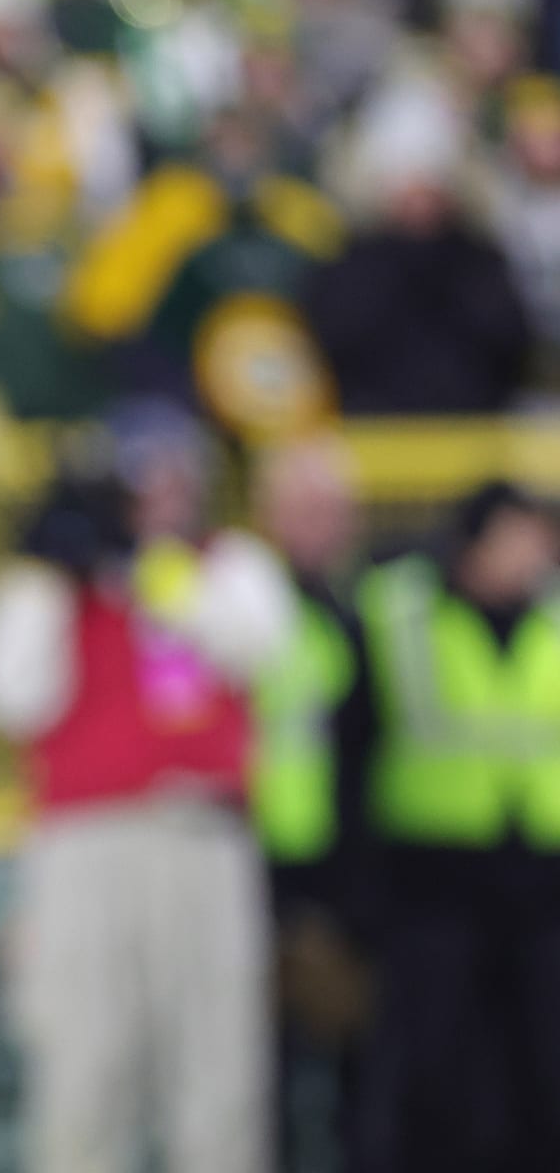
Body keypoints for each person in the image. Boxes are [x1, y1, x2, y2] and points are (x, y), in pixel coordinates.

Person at [0, 398, 294, 1173]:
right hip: (85, 847)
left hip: (201, 838)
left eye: (177, 477)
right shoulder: (59, 580)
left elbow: (256, 644)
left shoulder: (228, 563)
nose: (163, 496)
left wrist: (153, 569)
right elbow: (7, 692)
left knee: (218, 1064)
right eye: (144, 479)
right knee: (83, 1061)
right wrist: (42, 573)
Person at [349, 480, 560, 1173]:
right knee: (433, 1066)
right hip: (434, 880)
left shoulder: (550, 616)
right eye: (519, 535)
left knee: (541, 1068)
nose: (535, 553)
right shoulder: (405, 610)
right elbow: (358, 737)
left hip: (540, 885)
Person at [249, 438, 374, 1170]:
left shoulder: (357, 607)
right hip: (259, 858)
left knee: (347, 1059)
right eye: (305, 509)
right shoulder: (245, 600)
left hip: (335, 864)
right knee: (265, 1071)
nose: (322, 525)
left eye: (332, 510)